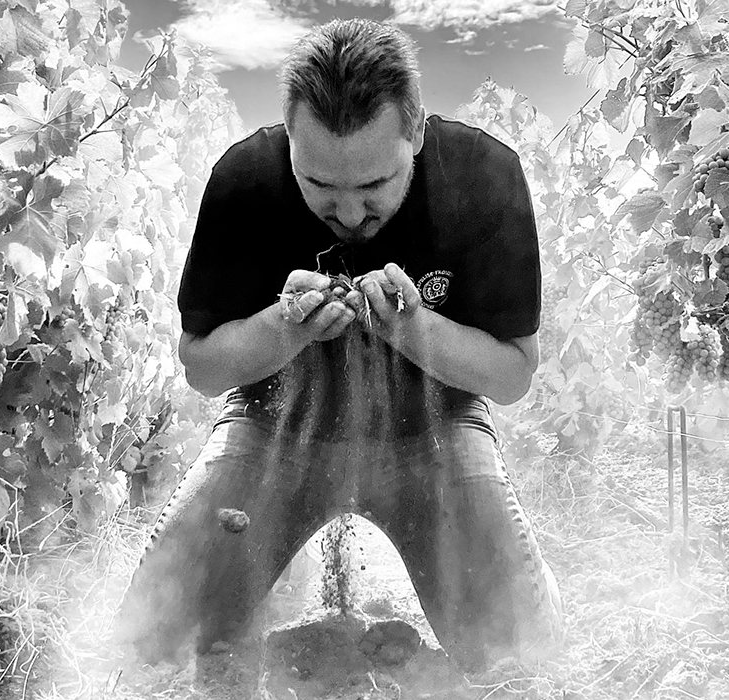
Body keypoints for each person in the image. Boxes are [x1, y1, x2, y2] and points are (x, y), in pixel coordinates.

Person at [114, 17, 563, 671]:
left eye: (374, 187)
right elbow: (203, 367)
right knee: (152, 640)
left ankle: (527, 576)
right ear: (290, 139)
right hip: (272, 428)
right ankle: (265, 580)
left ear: (416, 131)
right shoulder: (244, 180)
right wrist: (283, 327)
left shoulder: (484, 175)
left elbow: (513, 375)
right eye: (320, 186)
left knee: (519, 651)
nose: (350, 215)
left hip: (436, 431)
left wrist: (415, 330)